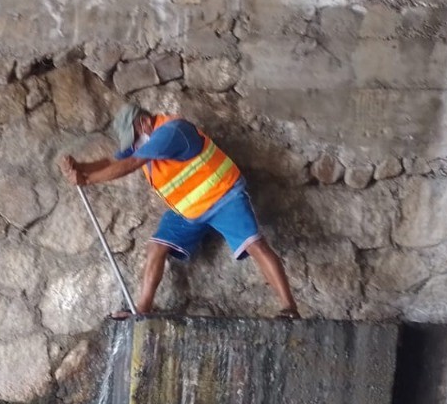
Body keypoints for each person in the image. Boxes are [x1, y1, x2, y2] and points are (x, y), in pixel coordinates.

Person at [60, 103, 299, 319]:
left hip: (223, 196)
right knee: (156, 247)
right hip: (189, 210)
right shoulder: (141, 141)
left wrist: (88, 180)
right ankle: (142, 311)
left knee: (254, 244)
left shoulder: (172, 131)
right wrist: (81, 169)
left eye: (134, 138)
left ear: (144, 122)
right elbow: (113, 162)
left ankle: (289, 309)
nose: (133, 145)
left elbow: (131, 164)